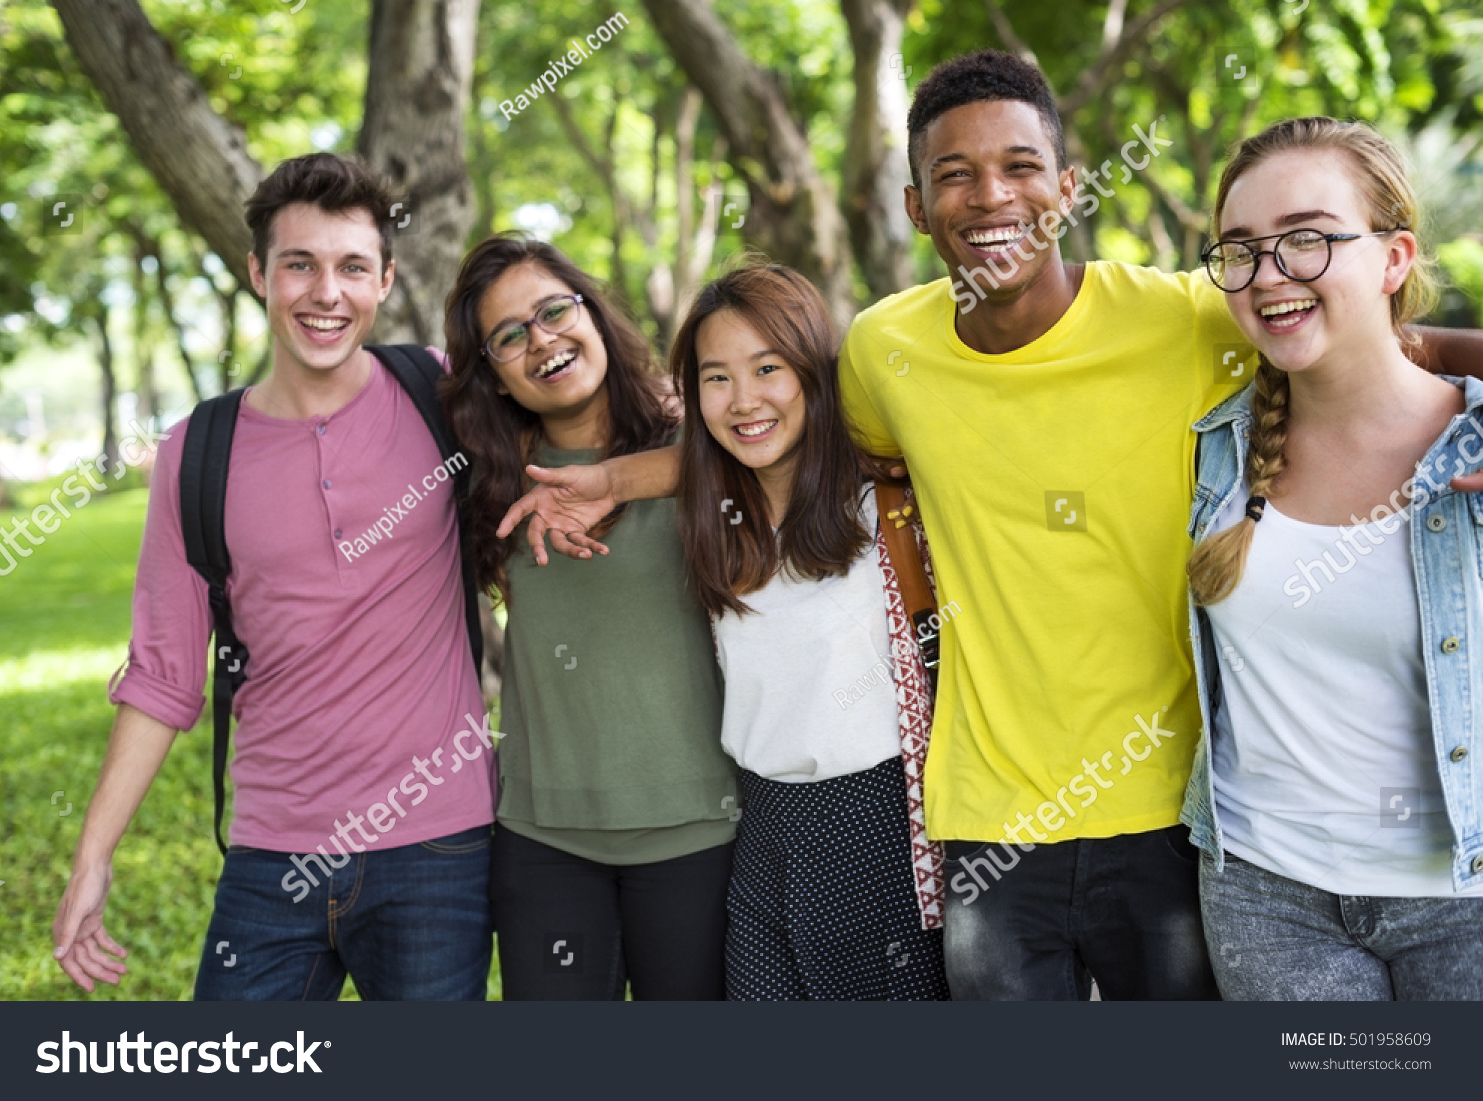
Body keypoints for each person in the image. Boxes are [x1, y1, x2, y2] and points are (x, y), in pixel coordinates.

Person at [495, 52, 1483, 1000]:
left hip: (1181, 818)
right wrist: (619, 477)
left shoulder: (1186, 319)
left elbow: (1380, 333)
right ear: (918, 208)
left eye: (1019, 166)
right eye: (954, 175)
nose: (991, 196)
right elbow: (773, 436)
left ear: (1067, 185)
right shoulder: (890, 350)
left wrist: (1465, 397)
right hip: (988, 826)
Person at [50, 153, 495, 1000]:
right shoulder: (197, 453)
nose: (326, 292)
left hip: (438, 849)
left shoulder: (440, 393)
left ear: (384, 279)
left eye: (352, 267)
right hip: (270, 853)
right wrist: (92, 856)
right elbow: (162, 673)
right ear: (259, 272)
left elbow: (582, 440)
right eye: (300, 263)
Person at [1183, 117, 1483, 1000]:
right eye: (1242, 250)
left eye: (1308, 239)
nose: (1270, 273)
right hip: (1267, 896)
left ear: (1395, 259)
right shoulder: (1218, 446)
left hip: (1462, 896)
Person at [440, 233, 739, 1000]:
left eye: (553, 310)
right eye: (509, 336)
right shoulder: (486, 479)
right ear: (494, 376)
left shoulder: (703, 435)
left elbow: (811, 444)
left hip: (696, 829)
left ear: (594, 314)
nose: (541, 339)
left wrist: (619, 478)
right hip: (544, 842)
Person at [671, 264, 948, 1000]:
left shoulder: (884, 508)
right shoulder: (715, 527)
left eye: (769, 368)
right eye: (717, 377)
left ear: (814, 373)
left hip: (877, 824)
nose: (744, 400)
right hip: (763, 830)